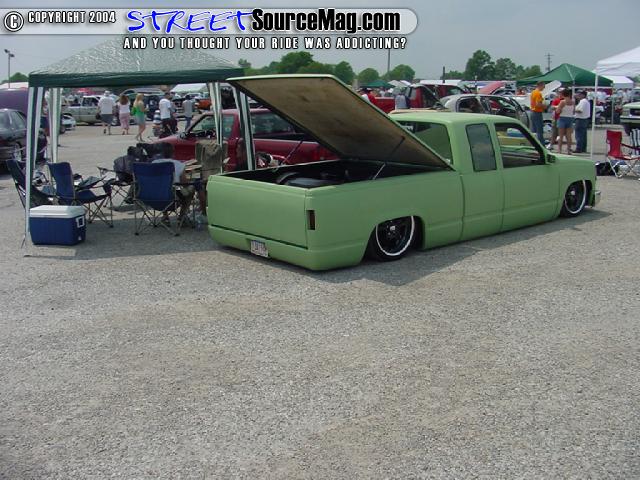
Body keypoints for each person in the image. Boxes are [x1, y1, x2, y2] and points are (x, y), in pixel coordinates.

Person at [151, 143, 195, 223]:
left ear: (161, 153)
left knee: (162, 188)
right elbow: (184, 183)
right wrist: (191, 181)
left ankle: (165, 216)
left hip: (154, 196)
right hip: (173, 194)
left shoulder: (154, 163)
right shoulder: (179, 164)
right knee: (190, 191)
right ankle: (181, 217)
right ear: (173, 153)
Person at [555, 89, 575, 154]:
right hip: (570, 118)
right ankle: (568, 150)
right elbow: (573, 111)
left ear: (563, 95)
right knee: (569, 136)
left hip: (562, 118)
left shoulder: (562, 102)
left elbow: (557, 111)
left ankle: (559, 150)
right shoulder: (573, 102)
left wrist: (556, 108)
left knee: (560, 136)